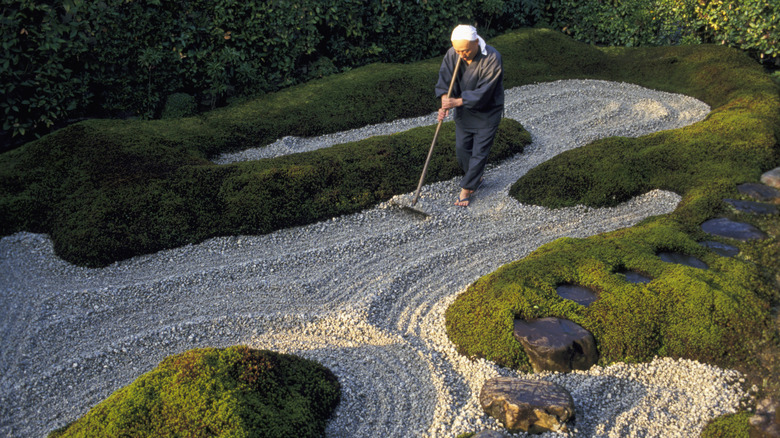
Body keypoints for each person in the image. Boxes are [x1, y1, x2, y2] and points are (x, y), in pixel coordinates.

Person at [436, 24, 504, 207]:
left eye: (465, 50)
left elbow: (485, 91)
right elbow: (444, 79)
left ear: (476, 42)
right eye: (458, 50)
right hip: (465, 113)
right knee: (462, 149)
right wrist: (445, 101)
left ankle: (466, 189)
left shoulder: (492, 57)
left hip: (487, 112)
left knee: (479, 152)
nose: (461, 54)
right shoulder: (453, 53)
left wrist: (455, 102)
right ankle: (476, 177)